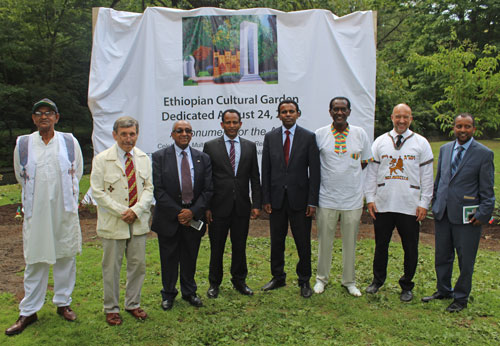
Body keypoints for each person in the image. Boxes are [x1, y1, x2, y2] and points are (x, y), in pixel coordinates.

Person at [6, 98, 83, 336]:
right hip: (36, 210)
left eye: (48, 113)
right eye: (38, 113)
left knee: (65, 256)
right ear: (33, 118)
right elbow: (21, 175)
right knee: (35, 259)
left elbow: (77, 172)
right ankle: (29, 310)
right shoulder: (24, 144)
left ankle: (63, 303)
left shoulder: (69, 141)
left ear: (56, 117)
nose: (44, 117)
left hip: (63, 208)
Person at [422, 113, 494, 312]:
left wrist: (482, 214)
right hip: (443, 213)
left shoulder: (484, 154)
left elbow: (488, 190)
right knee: (442, 256)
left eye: (467, 127)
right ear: (453, 128)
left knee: (466, 260)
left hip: (468, 217)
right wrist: (435, 203)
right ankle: (444, 290)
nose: (463, 130)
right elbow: (440, 180)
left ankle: (461, 298)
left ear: (474, 129)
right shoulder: (445, 149)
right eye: (459, 126)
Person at [364, 103, 433, 302]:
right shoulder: (380, 142)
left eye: (405, 117)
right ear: (392, 118)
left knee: (410, 247)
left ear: (411, 119)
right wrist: (370, 198)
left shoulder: (421, 143)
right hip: (383, 204)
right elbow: (372, 173)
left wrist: (424, 203)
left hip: (410, 206)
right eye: (398, 116)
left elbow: (427, 177)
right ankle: (377, 280)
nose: (401, 120)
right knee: (381, 245)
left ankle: (407, 285)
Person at [90, 116, 153, 326]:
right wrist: (122, 211)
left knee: (138, 265)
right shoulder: (102, 160)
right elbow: (98, 192)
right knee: (111, 267)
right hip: (113, 223)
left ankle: (133, 304)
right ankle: (111, 308)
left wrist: (135, 211)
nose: (128, 138)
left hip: (137, 222)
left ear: (137, 134)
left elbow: (149, 189)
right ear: (115, 135)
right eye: (124, 134)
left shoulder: (143, 158)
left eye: (132, 134)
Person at [313, 97, 373, 297]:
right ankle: (321, 278)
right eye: (335, 109)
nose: (339, 113)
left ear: (349, 111)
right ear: (330, 111)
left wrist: (349, 176)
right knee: (325, 241)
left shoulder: (360, 134)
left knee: (350, 242)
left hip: (352, 199)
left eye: (343, 109)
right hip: (327, 198)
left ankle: (349, 281)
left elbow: (364, 162)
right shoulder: (320, 134)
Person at [261, 99, 320, 298]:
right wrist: (266, 198)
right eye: (284, 111)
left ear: (298, 114)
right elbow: (266, 170)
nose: (287, 114)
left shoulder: (309, 137)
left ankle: (304, 281)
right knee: (276, 241)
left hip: (301, 201)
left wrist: (312, 201)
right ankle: (278, 277)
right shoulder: (270, 137)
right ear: (278, 115)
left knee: (303, 242)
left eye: (291, 111)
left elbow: (315, 172)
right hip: (276, 200)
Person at [152, 120, 213, 310]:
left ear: (192, 134)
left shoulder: (202, 158)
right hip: (169, 217)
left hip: (193, 217)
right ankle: (168, 294)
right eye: (180, 130)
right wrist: (179, 212)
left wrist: (192, 212)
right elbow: (158, 190)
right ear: (172, 134)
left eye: (188, 131)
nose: (184, 133)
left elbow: (208, 190)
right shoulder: (159, 157)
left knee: (190, 256)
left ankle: (189, 292)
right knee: (168, 257)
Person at [203, 109, 261, 298]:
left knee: (240, 245)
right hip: (218, 208)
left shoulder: (250, 146)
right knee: (216, 247)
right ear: (222, 125)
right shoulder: (211, 146)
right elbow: (207, 179)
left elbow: (254, 176)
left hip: (241, 207)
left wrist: (256, 204)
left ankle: (239, 280)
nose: (231, 126)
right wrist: (207, 207)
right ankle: (214, 283)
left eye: (235, 122)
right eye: (227, 122)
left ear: (240, 124)